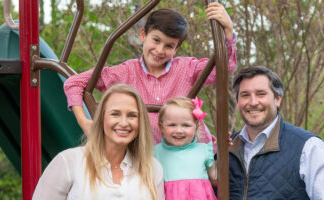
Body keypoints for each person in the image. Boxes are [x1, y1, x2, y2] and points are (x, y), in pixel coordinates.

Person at [64, 3, 237, 146]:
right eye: (156, 40)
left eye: (169, 46)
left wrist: (228, 30)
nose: (160, 50)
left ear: (176, 49)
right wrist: (85, 122)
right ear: (143, 35)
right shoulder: (126, 72)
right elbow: (74, 83)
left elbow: (224, 68)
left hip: (188, 152)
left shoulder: (187, 68)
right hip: (149, 156)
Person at [28, 84, 168, 200]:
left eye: (132, 115)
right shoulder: (69, 162)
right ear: (101, 118)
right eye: (115, 114)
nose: (124, 123)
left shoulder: (153, 168)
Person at [228, 66, 324, 200]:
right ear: (238, 102)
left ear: (277, 99)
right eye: (245, 95)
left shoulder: (309, 148)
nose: (253, 102)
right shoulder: (227, 149)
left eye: (261, 94)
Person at [153, 97, 218, 200]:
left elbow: (215, 177)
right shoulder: (156, 153)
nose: (179, 130)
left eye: (186, 125)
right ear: (161, 127)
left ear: (196, 126)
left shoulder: (203, 150)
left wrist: (223, 151)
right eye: (172, 125)